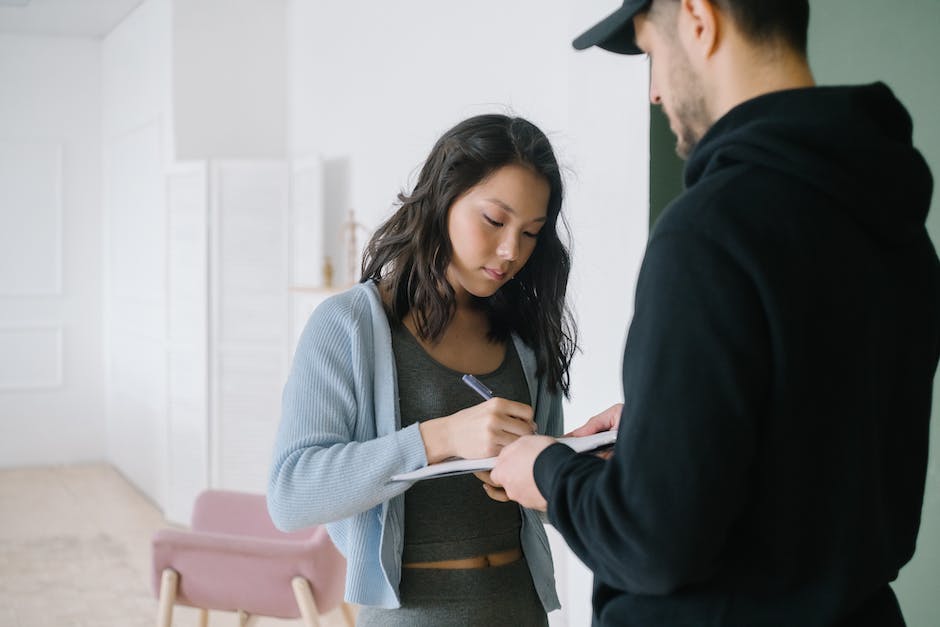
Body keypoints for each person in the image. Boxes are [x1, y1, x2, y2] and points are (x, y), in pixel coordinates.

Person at [490, 1, 940, 625]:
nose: (653, 92)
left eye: (651, 53)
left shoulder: (712, 229)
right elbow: (816, 445)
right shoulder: (896, 227)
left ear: (700, 19)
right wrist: (662, 431)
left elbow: (654, 541)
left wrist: (550, 472)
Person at [267, 113, 577, 626]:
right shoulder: (348, 326)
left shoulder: (524, 335)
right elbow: (291, 494)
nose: (511, 252)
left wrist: (576, 463)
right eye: (495, 221)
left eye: (531, 234)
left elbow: (545, 504)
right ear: (443, 198)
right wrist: (440, 438)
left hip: (520, 607)